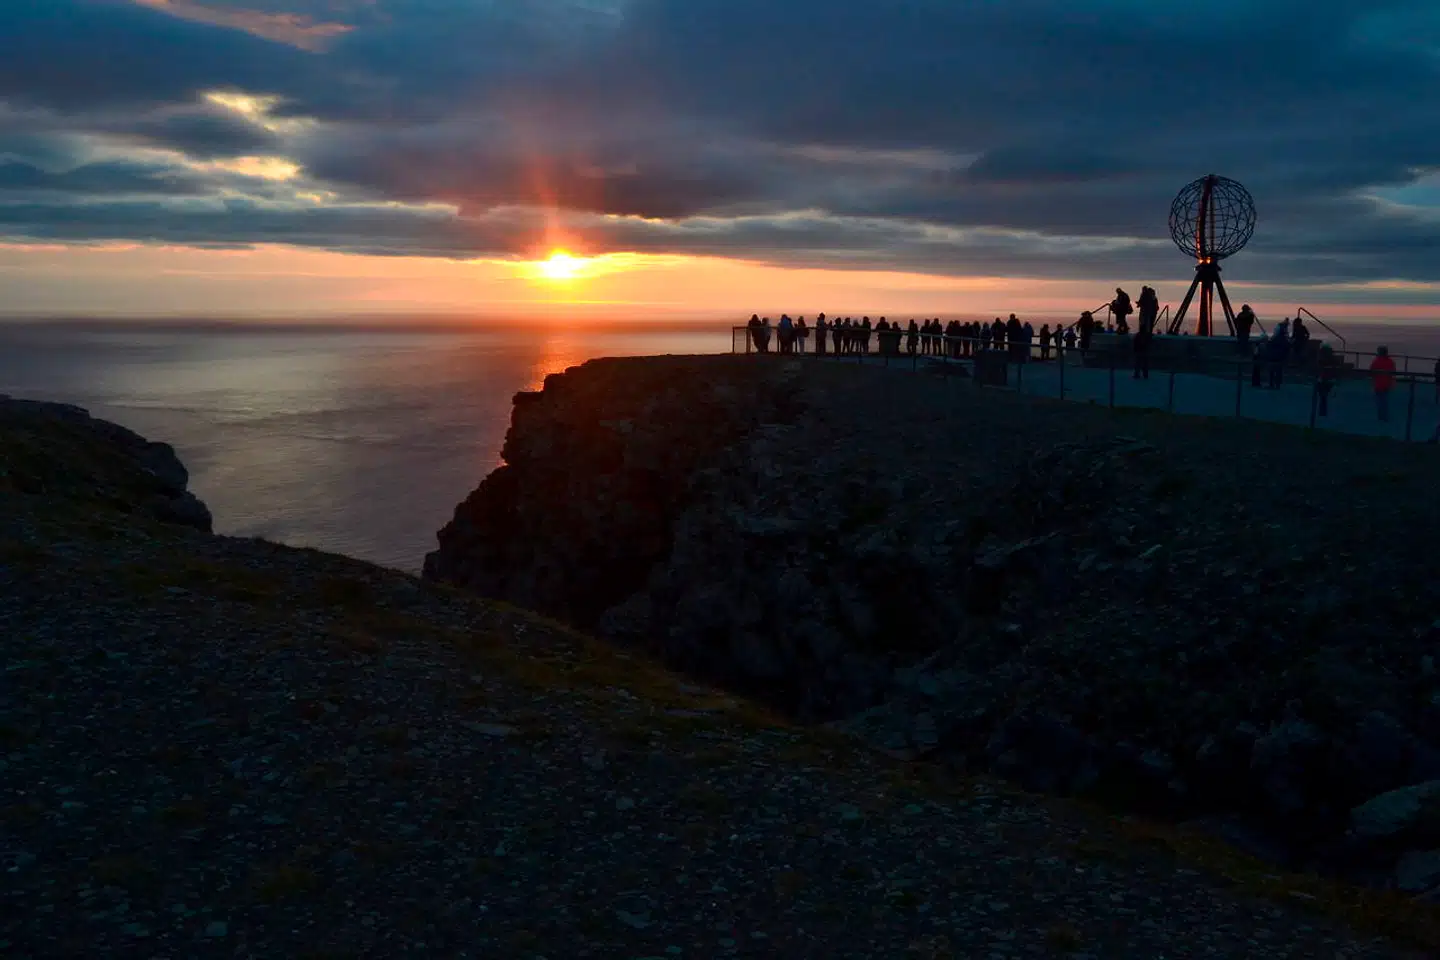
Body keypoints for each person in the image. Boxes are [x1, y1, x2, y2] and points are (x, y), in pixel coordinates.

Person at [1370, 346, 1397, 422]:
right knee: (1384, 400)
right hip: (1387, 384)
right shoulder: (1390, 361)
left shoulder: (1376, 361)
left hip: (1378, 384)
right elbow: (1393, 372)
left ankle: (1381, 416)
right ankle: (1384, 416)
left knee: (1379, 400)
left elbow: (1371, 371)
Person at [1315, 343, 1338, 417]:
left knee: (1322, 396)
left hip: (1322, 379)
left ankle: (1322, 412)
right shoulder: (1333, 358)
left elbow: (1319, 369)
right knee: (1324, 396)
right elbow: (1335, 369)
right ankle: (1323, 411)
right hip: (1329, 380)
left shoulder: (1321, 358)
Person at [1132, 311, 1153, 379]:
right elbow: (1148, 342)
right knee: (1144, 363)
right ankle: (1145, 374)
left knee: (1138, 363)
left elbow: (1135, 343)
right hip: (1144, 351)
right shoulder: (1146, 335)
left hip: (1139, 351)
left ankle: (1138, 374)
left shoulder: (1138, 335)